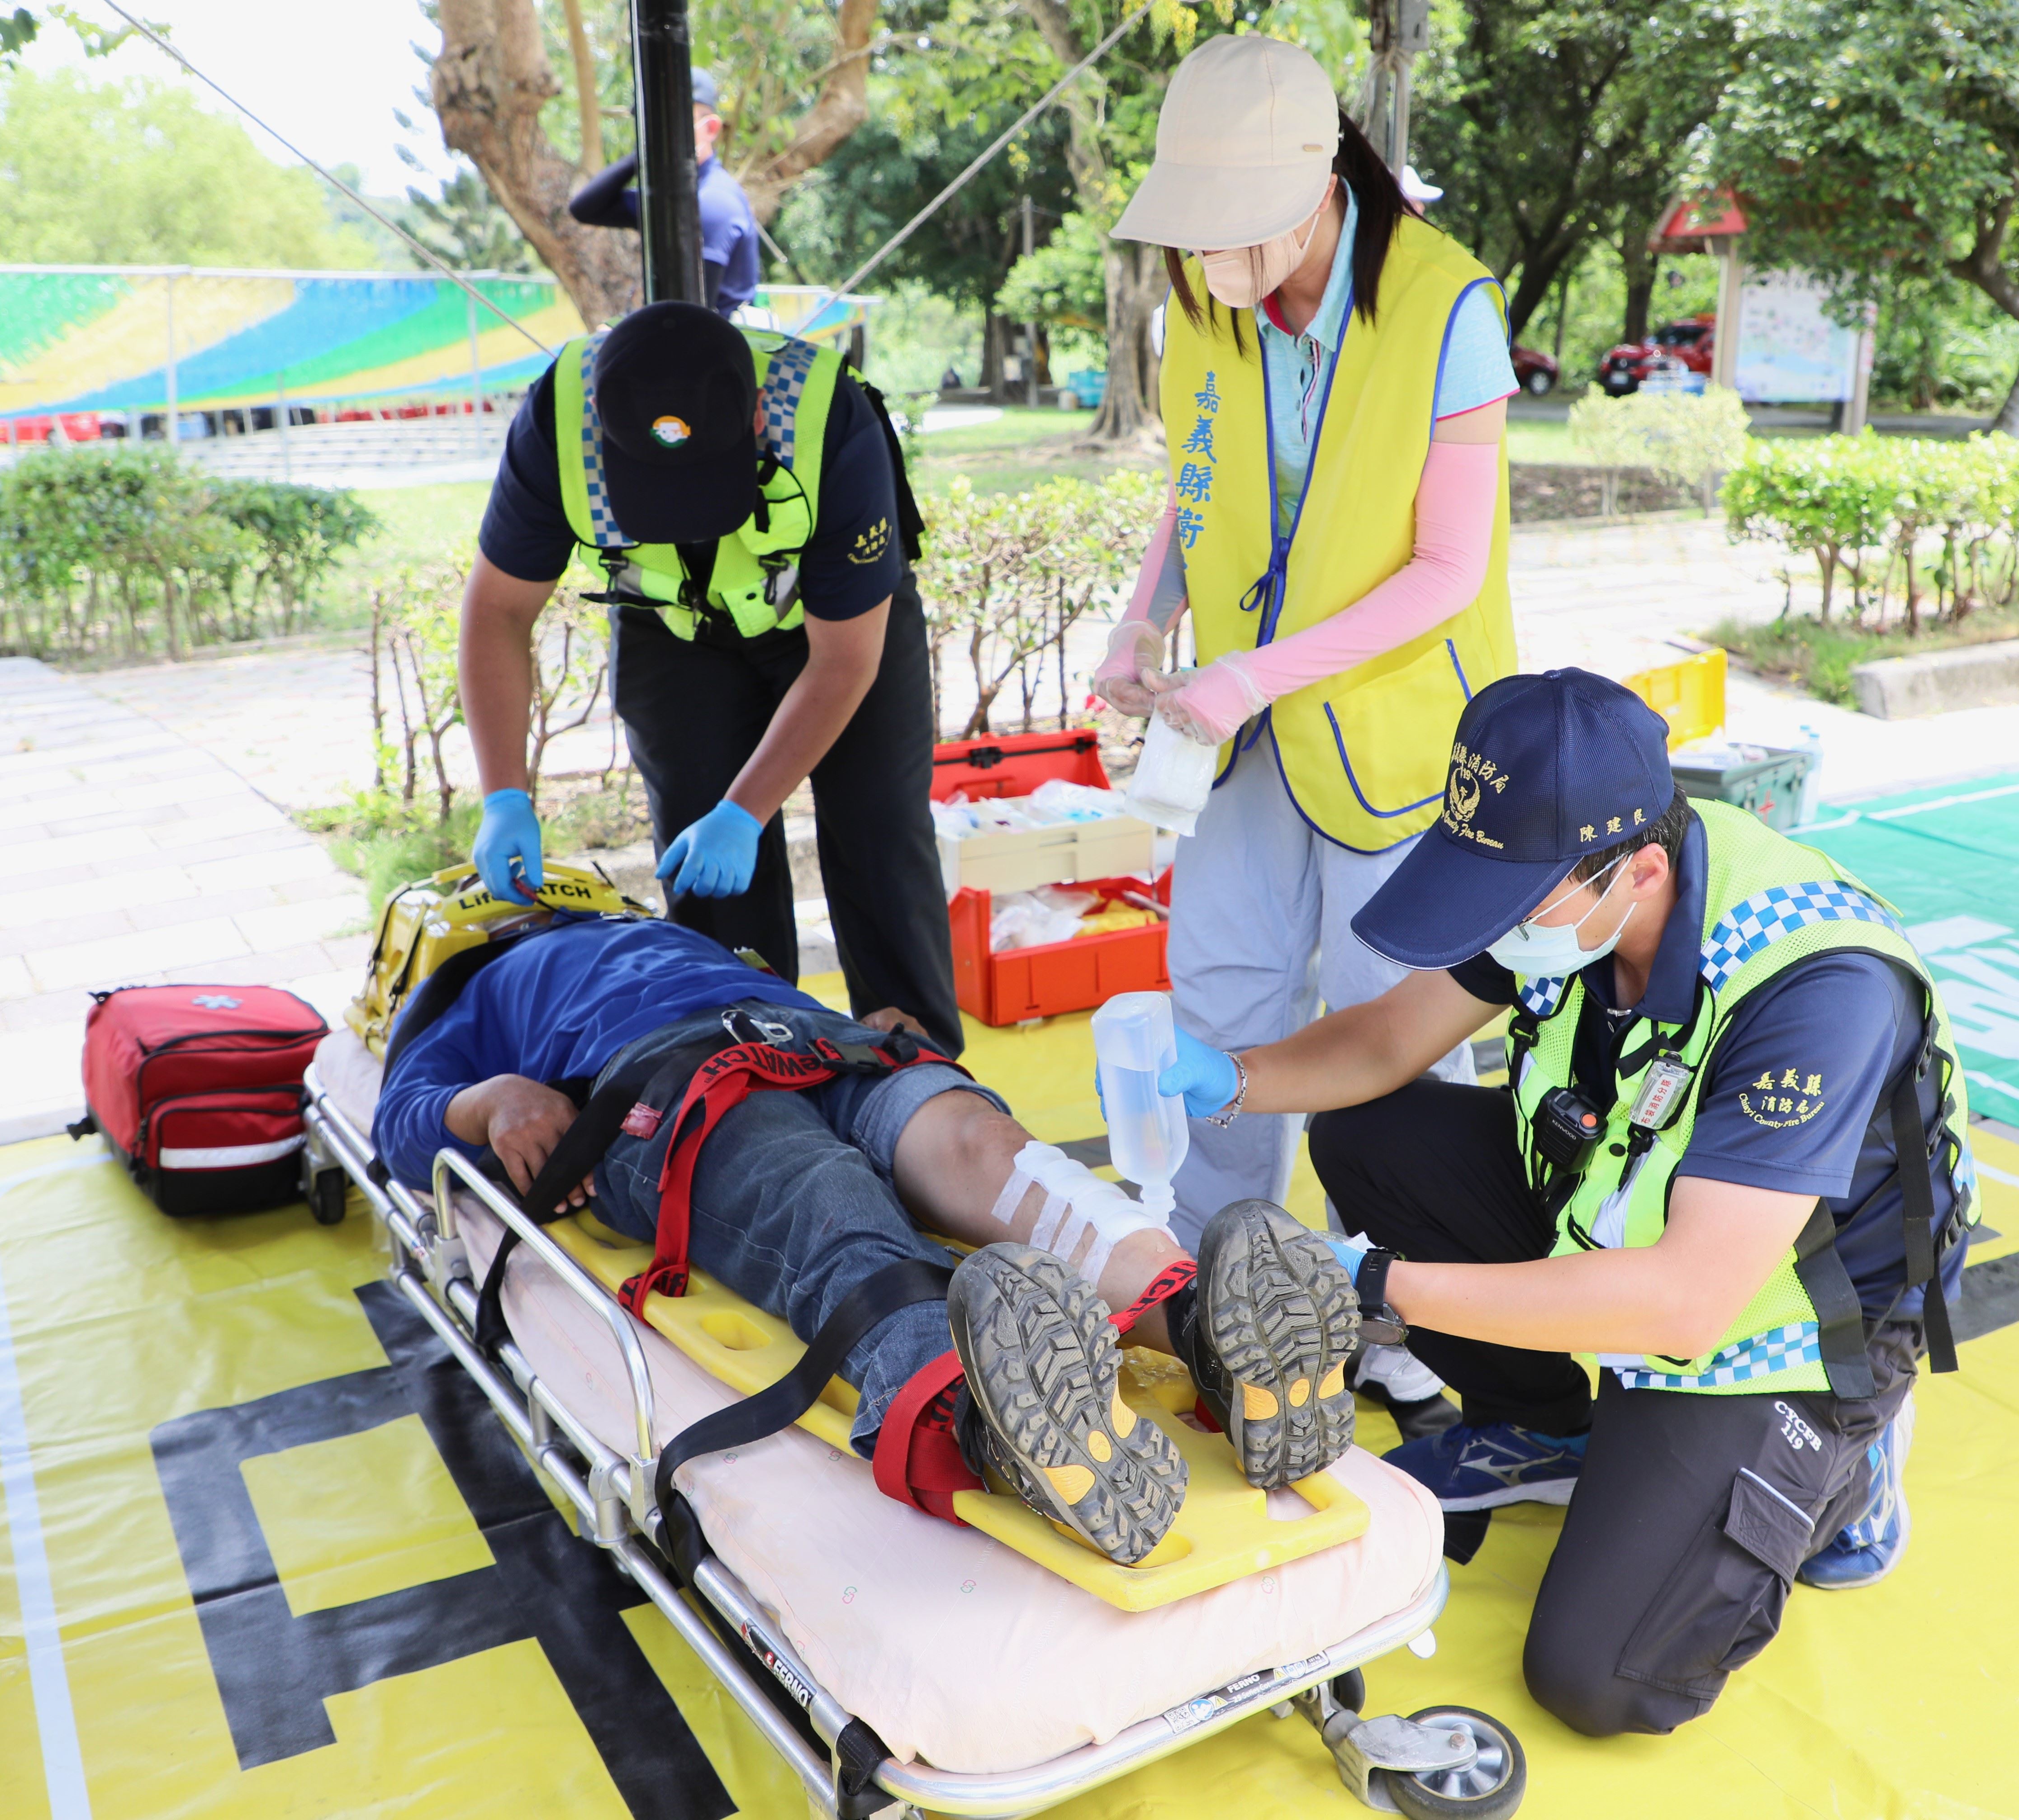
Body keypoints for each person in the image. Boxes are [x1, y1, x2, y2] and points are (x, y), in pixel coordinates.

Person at [1140, 670, 1978, 1736]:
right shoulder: (1562, 880)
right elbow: (1389, 1040)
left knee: (1601, 1674)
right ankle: (1549, 1425)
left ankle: (1846, 1465)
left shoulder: (1816, 989)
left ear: (1641, 871)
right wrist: (1231, 1076)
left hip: (1786, 1323)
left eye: (1511, 902)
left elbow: (1685, 1301)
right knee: (1367, 1134)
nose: (1490, 924)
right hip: (1626, 1205)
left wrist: (1377, 1283)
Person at [372, 913, 1360, 1565]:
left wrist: (857, 1021)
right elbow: (399, 1124)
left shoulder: (663, 931)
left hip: (818, 1040)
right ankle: (977, 1415)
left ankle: (1198, 1324)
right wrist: (492, 1099)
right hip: (663, 1083)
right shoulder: (466, 996)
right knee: (823, 1196)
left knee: (983, 1147)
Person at [1096, 36, 1520, 1273]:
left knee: (1392, 1020)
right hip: (1240, 737)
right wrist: (1143, 620)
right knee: (1218, 993)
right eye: (1194, 226)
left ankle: (1401, 1302)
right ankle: (1215, 1266)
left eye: (1233, 223)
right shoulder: (1203, 300)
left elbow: (1447, 569)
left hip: (1395, 737)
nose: (1209, 253)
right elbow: (1196, 488)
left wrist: (1244, 678)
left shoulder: (1448, 308)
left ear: (1317, 185)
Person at [460, 297, 962, 1052]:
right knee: (704, 877)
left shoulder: (829, 419)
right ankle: (745, 1066)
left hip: (829, 627)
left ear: (757, 415)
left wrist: (745, 812)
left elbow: (844, 660)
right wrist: (504, 797)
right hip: (674, 630)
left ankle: (917, 1070)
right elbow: (498, 610)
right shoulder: (556, 421)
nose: (686, 517)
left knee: (880, 838)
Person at [568, 70, 761, 319]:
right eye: (652, 125)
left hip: (717, 339)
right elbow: (585, 208)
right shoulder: (671, 197)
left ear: (711, 128)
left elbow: (695, 316)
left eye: (673, 123)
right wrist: (644, 152)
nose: (662, 133)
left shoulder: (715, 200)